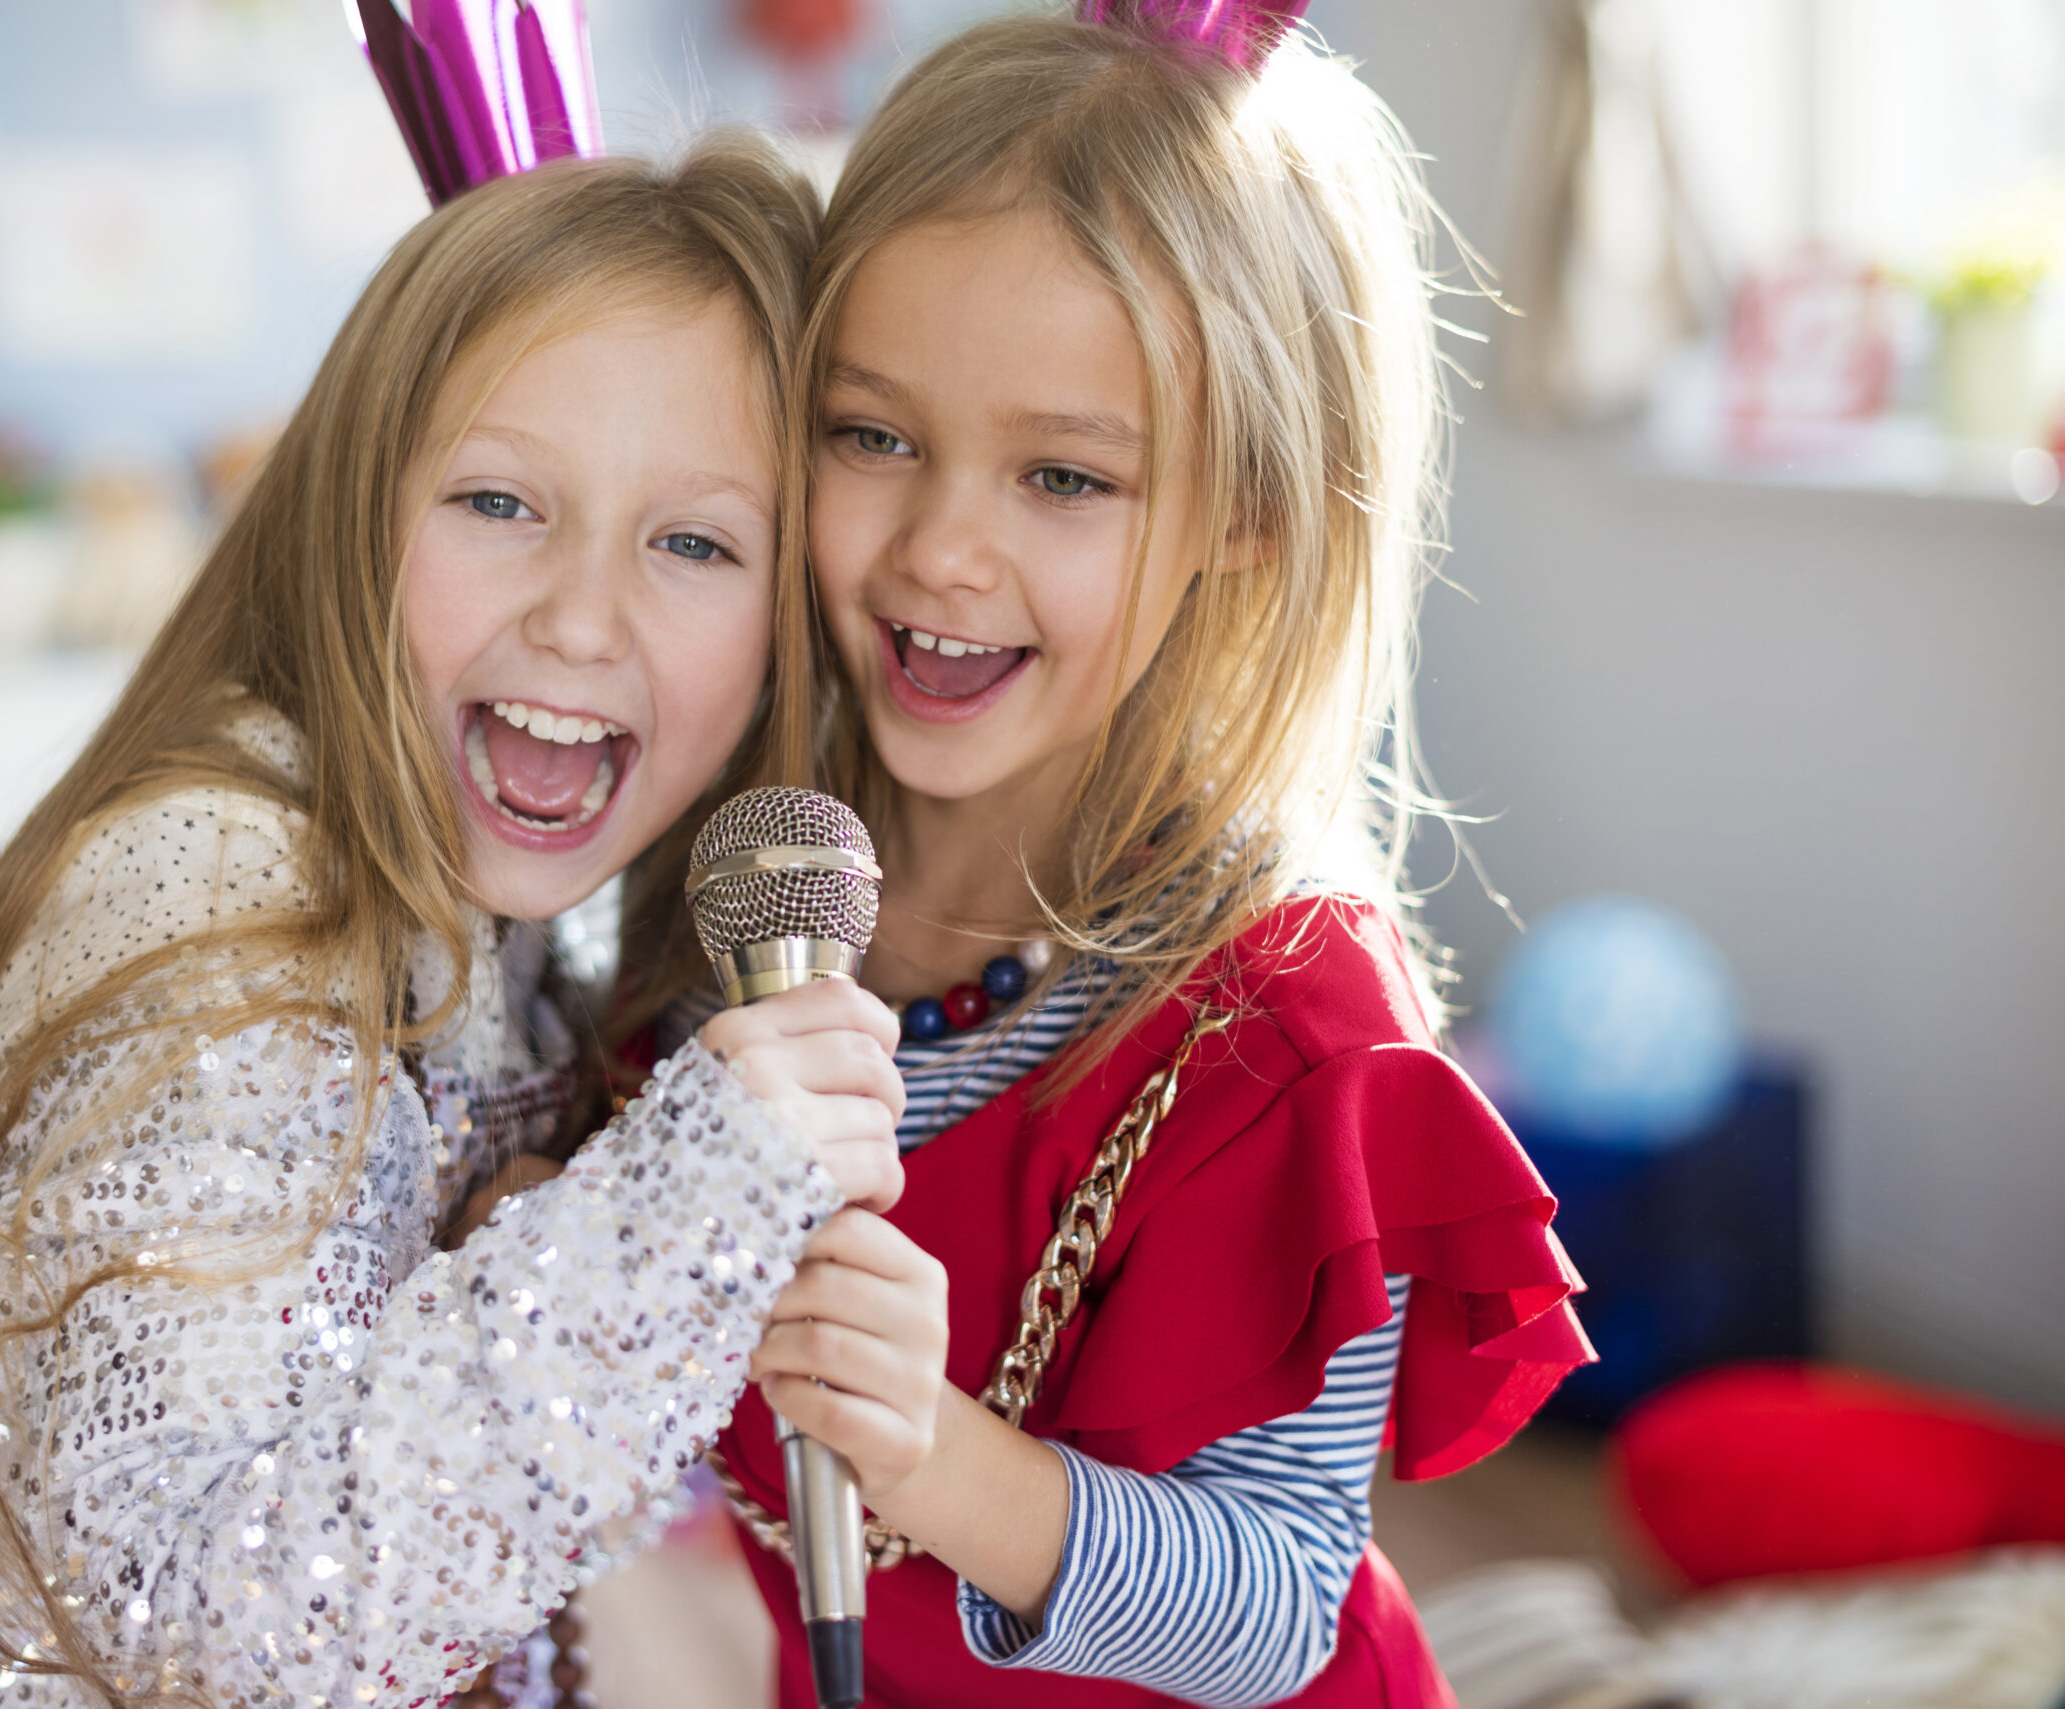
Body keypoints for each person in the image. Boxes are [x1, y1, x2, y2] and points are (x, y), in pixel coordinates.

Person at [0, 136, 911, 1709]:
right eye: (498, 501)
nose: (582, 616)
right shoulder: (225, 902)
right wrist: (681, 1207)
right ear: (355, 514)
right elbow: (215, 1636)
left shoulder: (495, 941)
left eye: (694, 542)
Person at [680, 5, 1596, 1704]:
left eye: (1063, 476)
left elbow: (1272, 1607)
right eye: (874, 435)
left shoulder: (1285, 1019)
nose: (943, 548)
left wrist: (927, 1445)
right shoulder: (755, 897)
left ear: (1250, 509)